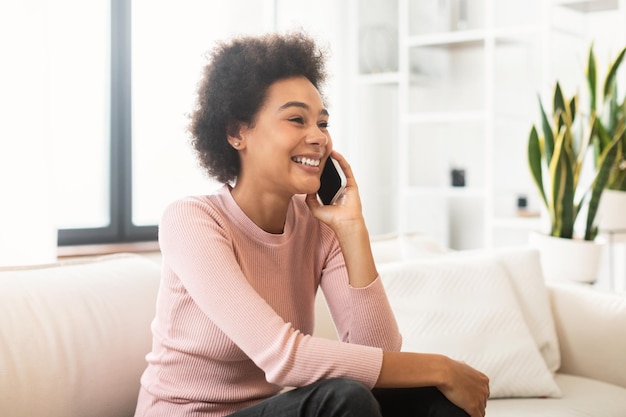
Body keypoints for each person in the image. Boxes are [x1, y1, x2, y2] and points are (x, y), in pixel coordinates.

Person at [133, 31, 489, 417]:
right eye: (296, 119)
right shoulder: (192, 221)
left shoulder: (319, 227)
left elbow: (379, 356)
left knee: (434, 401)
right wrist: (441, 366)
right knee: (346, 399)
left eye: (322, 122)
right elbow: (283, 357)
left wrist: (352, 231)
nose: (318, 137)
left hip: (271, 410)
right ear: (237, 132)